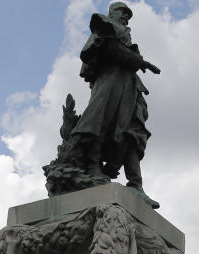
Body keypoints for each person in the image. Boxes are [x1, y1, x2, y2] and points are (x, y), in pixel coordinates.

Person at [65, 2, 161, 208]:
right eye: (122, 12)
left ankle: (136, 184)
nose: (126, 16)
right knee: (99, 121)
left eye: (128, 14)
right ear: (112, 12)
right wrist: (137, 60)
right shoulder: (104, 26)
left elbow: (120, 52)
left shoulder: (122, 35)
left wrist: (137, 61)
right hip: (109, 81)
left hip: (128, 85)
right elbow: (100, 51)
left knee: (133, 131)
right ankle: (92, 167)